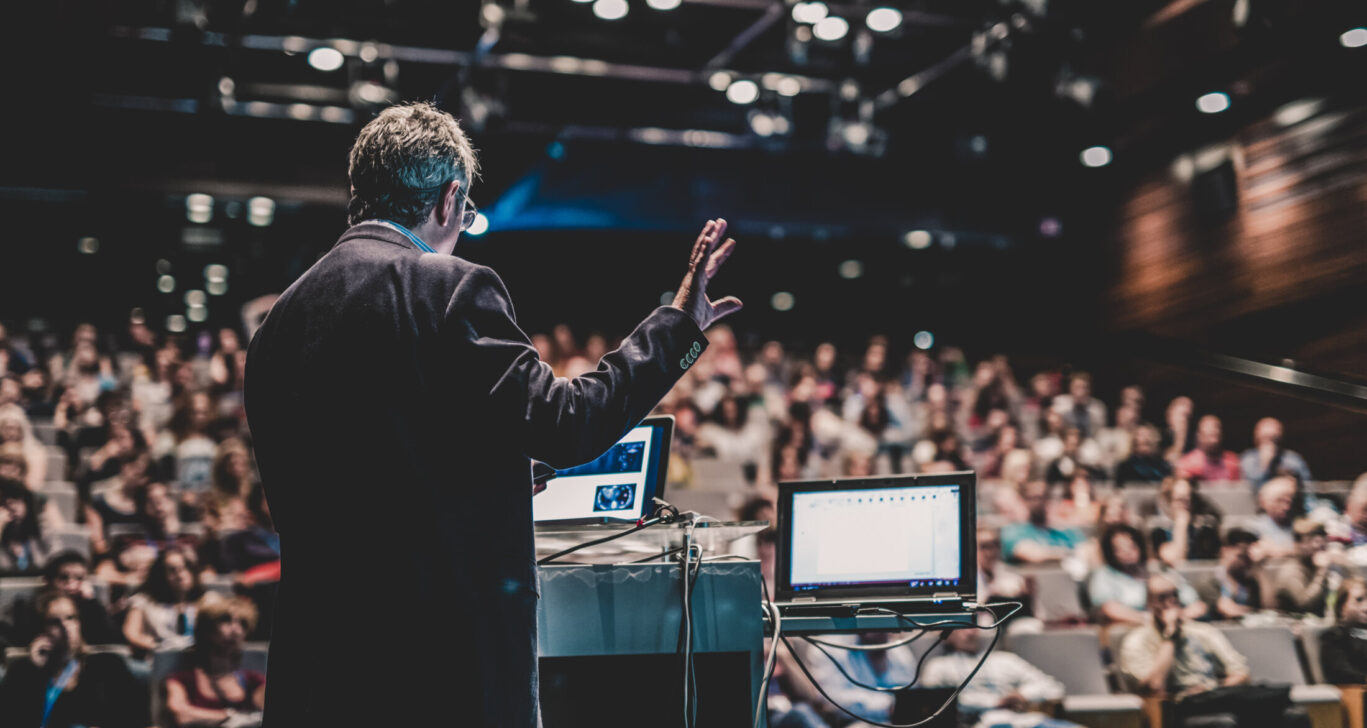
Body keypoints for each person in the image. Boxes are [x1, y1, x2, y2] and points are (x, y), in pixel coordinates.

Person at [243, 101, 741, 727]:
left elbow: (360, 474)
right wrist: (677, 326)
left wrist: (489, 473)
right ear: (450, 199)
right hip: (436, 668)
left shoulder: (279, 323)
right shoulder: (444, 284)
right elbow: (570, 422)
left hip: (319, 669)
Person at [1118, 575, 1309, 728]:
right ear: (1150, 604)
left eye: (1174, 595)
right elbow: (1154, 687)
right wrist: (1170, 638)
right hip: (1175, 705)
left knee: (1294, 717)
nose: (1171, 602)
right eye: (1162, 597)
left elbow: (1241, 673)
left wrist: (1215, 688)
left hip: (1214, 695)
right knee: (1229, 719)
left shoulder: (1202, 631)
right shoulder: (1137, 641)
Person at [0, 589, 148, 727]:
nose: (65, 626)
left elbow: (136, 719)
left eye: (71, 618)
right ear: (40, 631)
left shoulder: (108, 665)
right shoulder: (23, 672)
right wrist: (35, 672)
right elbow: (13, 722)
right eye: (54, 622)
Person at [920, 624, 1079, 728]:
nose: (970, 633)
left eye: (973, 627)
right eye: (962, 628)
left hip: (1025, 721)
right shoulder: (938, 666)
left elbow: (1053, 687)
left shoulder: (1004, 660)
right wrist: (996, 702)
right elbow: (934, 704)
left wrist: (1022, 695)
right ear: (947, 633)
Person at [164, 596, 266, 728]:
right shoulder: (183, 679)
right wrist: (230, 716)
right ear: (207, 629)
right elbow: (182, 715)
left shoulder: (253, 681)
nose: (236, 630)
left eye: (243, 624)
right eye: (226, 621)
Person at [1087, 524, 1204, 625]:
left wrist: (1179, 617)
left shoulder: (1158, 570)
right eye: (1119, 549)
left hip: (1174, 625)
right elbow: (1110, 609)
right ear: (1110, 552)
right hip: (1131, 631)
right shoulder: (1104, 575)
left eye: (1131, 546)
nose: (1127, 552)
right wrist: (1151, 621)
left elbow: (1196, 604)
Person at [6, 550, 120, 647]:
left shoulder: (89, 607)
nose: (72, 585)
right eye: (64, 578)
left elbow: (111, 641)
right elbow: (22, 642)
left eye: (79, 579)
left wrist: (91, 601)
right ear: (48, 582)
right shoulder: (27, 608)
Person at [1267, 518, 1344, 617]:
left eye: (1323, 540)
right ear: (1298, 544)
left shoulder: (1314, 566)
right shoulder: (1291, 570)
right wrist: (1321, 571)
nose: (1319, 546)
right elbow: (1306, 605)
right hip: (1291, 626)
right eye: (1313, 541)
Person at [1000, 480, 1084, 565]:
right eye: (1034, 498)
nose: (1039, 503)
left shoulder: (1064, 531)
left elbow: (1086, 550)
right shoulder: (1013, 531)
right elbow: (1033, 555)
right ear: (1023, 501)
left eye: (1044, 497)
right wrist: (1071, 553)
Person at [1194, 528, 1266, 619]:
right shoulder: (1209, 581)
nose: (1244, 563)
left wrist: (1260, 568)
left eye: (1248, 558)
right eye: (1240, 556)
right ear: (1225, 551)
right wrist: (1254, 612)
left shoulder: (1250, 582)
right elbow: (1228, 610)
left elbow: (1267, 607)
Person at [1240, 417, 1312, 491]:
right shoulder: (1248, 458)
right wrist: (1264, 464)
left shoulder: (1293, 459)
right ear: (1256, 438)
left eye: (1273, 439)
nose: (1269, 445)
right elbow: (1248, 488)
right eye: (1265, 438)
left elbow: (1307, 487)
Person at [1320, 577, 1367, 684]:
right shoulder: (1334, 637)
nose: (1366, 607)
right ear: (1342, 607)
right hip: (1353, 691)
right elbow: (1341, 671)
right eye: (1359, 600)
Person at [1176, 415, 1240, 482]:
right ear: (1199, 436)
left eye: (1216, 435)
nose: (1213, 440)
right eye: (1209, 435)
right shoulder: (1187, 463)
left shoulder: (1232, 461)